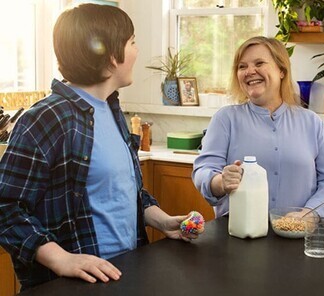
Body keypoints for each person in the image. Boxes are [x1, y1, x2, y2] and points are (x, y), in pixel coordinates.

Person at [0, 4, 202, 291]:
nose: (137, 50)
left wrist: (163, 221)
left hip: (124, 273)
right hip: (72, 285)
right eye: (131, 42)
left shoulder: (111, 109)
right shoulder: (47, 118)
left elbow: (122, 190)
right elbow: (6, 207)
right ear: (110, 58)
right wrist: (61, 259)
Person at [192, 36, 324, 219]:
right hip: (237, 237)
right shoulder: (225, 119)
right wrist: (220, 182)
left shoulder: (311, 122)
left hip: (296, 236)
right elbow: (203, 171)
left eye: (259, 63)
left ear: (281, 70)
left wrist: (309, 215)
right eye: (242, 66)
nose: (250, 71)